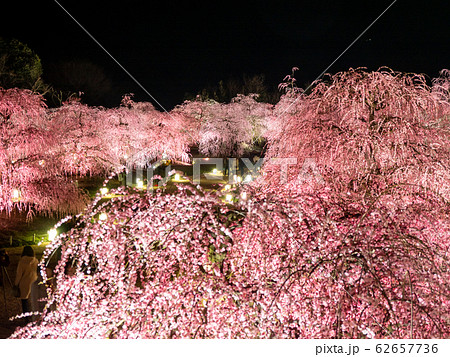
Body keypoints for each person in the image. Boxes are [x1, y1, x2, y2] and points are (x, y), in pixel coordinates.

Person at [14, 246, 39, 322]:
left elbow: (19, 274)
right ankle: (34, 316)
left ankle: (26, 317)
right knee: (33, 300)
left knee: (25, 301)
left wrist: (16, 284)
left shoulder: (22, 261)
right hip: (34, 281)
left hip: (24, 283)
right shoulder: (36, 261)